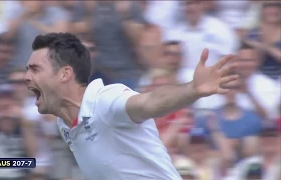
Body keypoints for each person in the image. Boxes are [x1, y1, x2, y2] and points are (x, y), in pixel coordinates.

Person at [24, 33, 239, 180]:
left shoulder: (105, 100)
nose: (26, 77)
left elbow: (149, 102)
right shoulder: (64, 124)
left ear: (65, 74)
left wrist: (193, 89)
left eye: (35, 69)